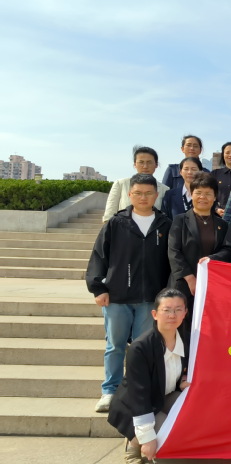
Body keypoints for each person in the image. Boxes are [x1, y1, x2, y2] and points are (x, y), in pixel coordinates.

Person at [86, 174, 172, 414]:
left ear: (156, 195)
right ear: (130, 194)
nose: (143, 197)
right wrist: (98, 287)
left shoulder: (165, 224)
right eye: (138, 193)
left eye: (148, 193)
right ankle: (110, 390)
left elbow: (171, 260)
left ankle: (136, 390)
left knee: (141, 347)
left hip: (149, 299)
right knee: (115, 345)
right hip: (117, 296)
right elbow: (99, 256)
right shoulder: (117, 223)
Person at [107, 288, 190, 464]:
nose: (172, 315)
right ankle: (133, 441)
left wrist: (182, 381)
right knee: (163, 437)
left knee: (191, 419)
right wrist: (147, 437)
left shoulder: (187, 339)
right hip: (137, 403)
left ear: (185, 312)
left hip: (166, 395)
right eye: (166, 310)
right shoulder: (140, 347)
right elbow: (139, 396)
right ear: (154, 314)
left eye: (178, 309)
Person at [167, 172, 228, 338]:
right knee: (181, 329)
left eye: (208, 193)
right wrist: (190, 278)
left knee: (206, 329)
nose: (203, 197)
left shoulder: (222, 224)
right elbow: (173, 251)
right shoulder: (180, 220)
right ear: (191, 194)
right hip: (182, 285)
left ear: (215, 197)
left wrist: (213, 259)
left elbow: (227, 250)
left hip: (211, 285)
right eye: (198, 192)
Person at [104, 146, 170, 222]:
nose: (145, 166)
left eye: (149, 162)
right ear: (135, 164)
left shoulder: (165, 189)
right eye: (141, 162)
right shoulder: (121, 184)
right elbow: (109, 215)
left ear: (156, 165)